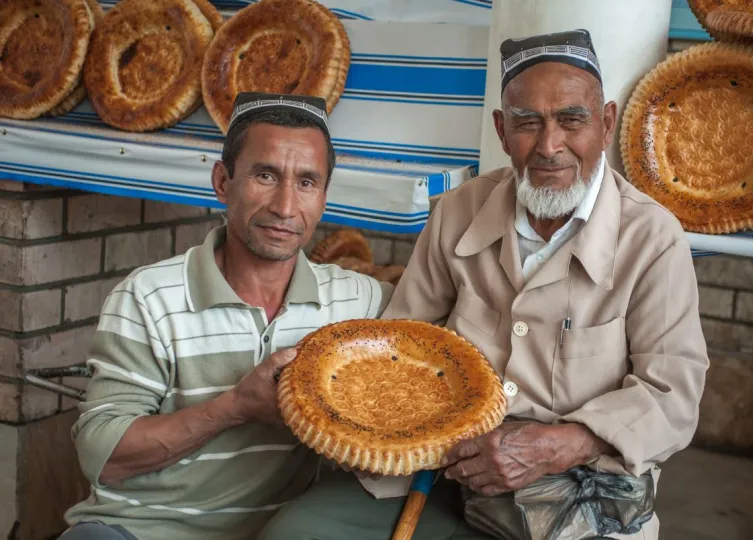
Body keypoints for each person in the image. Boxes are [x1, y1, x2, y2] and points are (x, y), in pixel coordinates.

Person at [262, 30, 709, 540]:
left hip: (576, 489)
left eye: (571, 120)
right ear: (501, 130)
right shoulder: (458, 211)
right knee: (299, 532)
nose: (549, 146)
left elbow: (672, 396)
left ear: (605, 124)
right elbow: (402, 340)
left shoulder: (652, 238)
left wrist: (559, 444)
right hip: (441, 472)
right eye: (527, 123)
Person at [59, 92, 392, 540]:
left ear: (325, 196)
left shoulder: (360, 303)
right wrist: (235, 407)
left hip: (286, 530)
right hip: (139, 530)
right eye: (265, 175)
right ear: (222, 181)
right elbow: (102, 454)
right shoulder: (149, 297)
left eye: (307, 183)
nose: (286, 206)